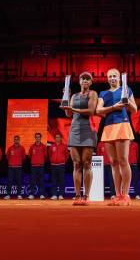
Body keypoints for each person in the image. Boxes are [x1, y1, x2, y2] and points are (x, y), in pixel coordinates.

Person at [95, 68, 137, 206]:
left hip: (122, 126)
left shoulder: (126, 89)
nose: (112, 78)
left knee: (123, 160)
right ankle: (118, 194)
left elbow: (134, 109)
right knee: (113, 163)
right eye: (110, 76)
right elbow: (98, 110)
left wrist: (126, 101)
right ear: (107, 79)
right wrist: (113, 107)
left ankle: (125, 195)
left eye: (115, 76)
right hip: (108, 128)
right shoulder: (103, 93)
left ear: (119, 78)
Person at [61, 71, 97, 205]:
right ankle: (77, 195)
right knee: (76, 164)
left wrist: (72, 108)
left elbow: (91, 111)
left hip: (87, 129)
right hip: (74, 130)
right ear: (79, 81)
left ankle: (86, 196)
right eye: (83, 79)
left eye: (88, 79)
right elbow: (68, 113)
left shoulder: (92, 94)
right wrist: (66, 95)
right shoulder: (74, 95)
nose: (85, 81)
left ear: (91, 82)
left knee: (87, 163)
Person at [49, 134, 69, 200]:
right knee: (54, 180)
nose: (57, 138)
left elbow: (67, 155)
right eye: (56, 137)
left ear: (61, 138)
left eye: (59, 137)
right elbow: (50, 155)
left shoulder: (64, 146)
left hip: (61, 165)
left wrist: (63, 161)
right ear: (54, 138)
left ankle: (61, 195)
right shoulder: (52, 146)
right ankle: (54, 194)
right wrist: (52, 160)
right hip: (54, 165)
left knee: (61, 180)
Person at [5, 135, 25, 199]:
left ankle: (19, 195)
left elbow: (23, 157)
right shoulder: (10, 148)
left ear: (19, 140)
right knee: (10, 181)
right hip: (11, 167)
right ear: (14, 140)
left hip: (18, 167)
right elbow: (7, 157)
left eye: (17, 139)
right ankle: (8, 194)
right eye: (15, 139)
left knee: (19, 181)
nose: (16, 140)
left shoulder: (22, 148)